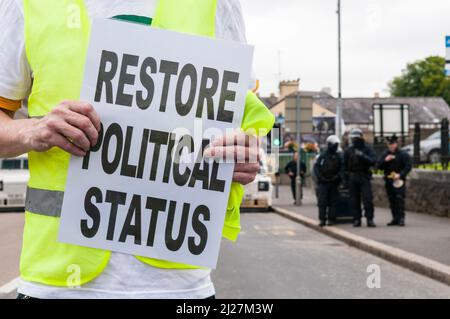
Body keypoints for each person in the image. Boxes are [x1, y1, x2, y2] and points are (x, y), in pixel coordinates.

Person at [0, 0, 274, 299]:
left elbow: (240, 125)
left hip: (179, 288)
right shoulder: (26, 4)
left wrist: (243, 152)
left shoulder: (216, 4)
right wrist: (31, 130)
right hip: (55, 284)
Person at [344, 128, 377, 228]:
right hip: (353, 176)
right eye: (353, 138)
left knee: (367, 198)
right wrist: (345, 179)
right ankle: (356, 219)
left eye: (355, 138)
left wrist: (362, 155)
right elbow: (344, 165)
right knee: (354, 200)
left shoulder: (367, 148)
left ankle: (369, 219)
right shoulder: (349, 150)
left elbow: (373, 160)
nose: (354, 140)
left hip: (364, 175)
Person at [377, 135, 412, 227]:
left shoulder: (402, 154)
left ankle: (401, 218)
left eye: (393, 144)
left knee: (399, 199)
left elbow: (408, 166)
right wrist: (385, 160)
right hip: (389, 180)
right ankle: (395, 218)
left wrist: (400, 174)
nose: (391, 146)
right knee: (392, 199)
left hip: (399, 180)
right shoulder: (385, 154)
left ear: (396, 144)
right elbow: (378, 165)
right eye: (389, 144)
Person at [313, 135, 344, 227]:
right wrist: (321, 178)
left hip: (334, 182)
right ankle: (322, 219)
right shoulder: (322, 156)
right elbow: (316, 168)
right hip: (323, 182)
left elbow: (342, 168)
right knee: (322, 202)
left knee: (332, 202)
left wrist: (337, 177)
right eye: (334, 144)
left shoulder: (338, 156)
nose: (335, 146)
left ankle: (331, 219)